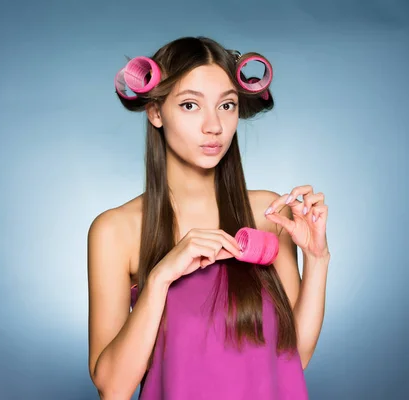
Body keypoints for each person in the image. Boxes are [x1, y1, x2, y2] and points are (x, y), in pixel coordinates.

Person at [87, 36, 330, 400]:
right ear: (155, 112)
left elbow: (294, 357)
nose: (213, 126)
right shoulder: (117, 230)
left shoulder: (267, 215)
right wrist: (160, 280)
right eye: (190, 105)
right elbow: (112, 387)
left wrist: (317, 259)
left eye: (227, 105)